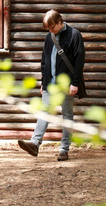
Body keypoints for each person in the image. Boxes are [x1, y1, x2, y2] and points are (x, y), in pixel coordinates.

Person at [18, 9, 86, 161]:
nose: (50, 31)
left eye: (52, 27)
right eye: (48, 28)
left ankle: (64, 149)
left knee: (67, 115)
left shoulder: (74, 35)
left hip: (67, 84)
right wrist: (44, 82)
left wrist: (75, 83)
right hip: (50, 83)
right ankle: (34, 144)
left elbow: (79, 61)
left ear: (60, 22)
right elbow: (44, 61)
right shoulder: (50, 37)